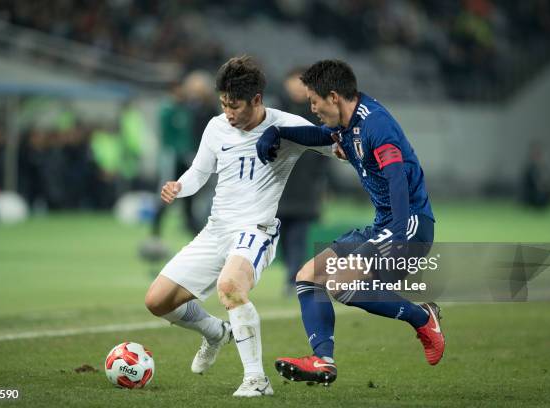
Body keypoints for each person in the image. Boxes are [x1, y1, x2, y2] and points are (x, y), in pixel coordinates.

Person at [144, 56, 332, 397]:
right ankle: (216, 333)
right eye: (223, 104)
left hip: (256, 230)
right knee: (157, 301)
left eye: (235, 106)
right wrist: (178, 187)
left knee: (230, 286)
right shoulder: (217, 127)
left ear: (257, 100)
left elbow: (336, 145)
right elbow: (200, 173)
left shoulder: (286, 125)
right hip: (216, 230)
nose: (228, 113)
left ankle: (256, 380)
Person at [256, 59, 445, 385]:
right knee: (308, 277)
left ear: (333, 96)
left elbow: (397, 178)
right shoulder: (346, 121)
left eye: (313, 101)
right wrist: (278, 133)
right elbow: (319, 136)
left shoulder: (376, 126)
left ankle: (423, 317)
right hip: (381, 224)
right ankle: (322, 361)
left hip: (409, 224)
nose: (311, 107)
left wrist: (399, 236)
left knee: (342, 283)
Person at [276, 67, 327, 296]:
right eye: (293, 81)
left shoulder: (317, 114)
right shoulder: (274, 111)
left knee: (298, 235)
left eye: (301, 83)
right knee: (282, 237)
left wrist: (323, 183)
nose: (297, 87)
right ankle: (291, 272)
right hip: (278, 186)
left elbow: (326, 152)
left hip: (305, 186)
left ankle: (293, 278)